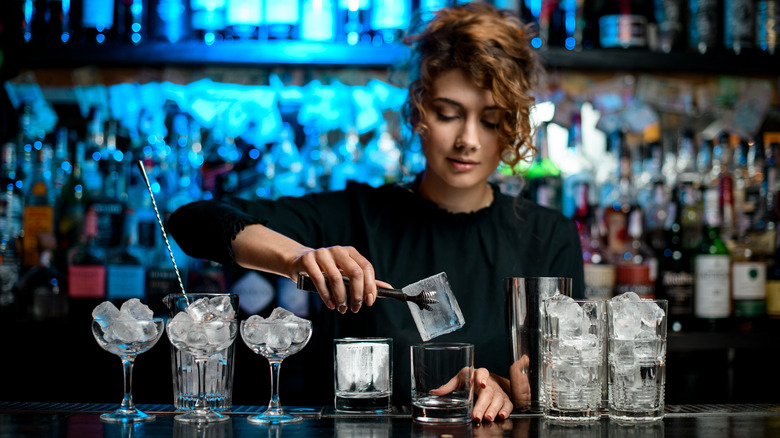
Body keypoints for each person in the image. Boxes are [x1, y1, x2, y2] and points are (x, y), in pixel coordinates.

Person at [167, 2, 584, 422]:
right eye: (448, 114)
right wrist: (296, 259)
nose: (468, 140)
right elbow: (193, 221)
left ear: (512, 126)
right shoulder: (353, 215)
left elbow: (563, 383)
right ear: (419, 111)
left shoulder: (549, 236)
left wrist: (503, 389)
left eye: (491, 121)